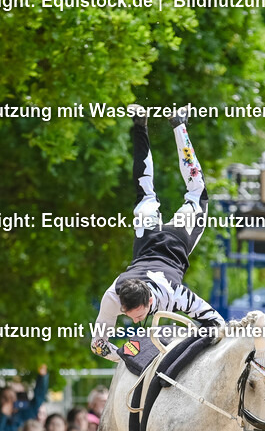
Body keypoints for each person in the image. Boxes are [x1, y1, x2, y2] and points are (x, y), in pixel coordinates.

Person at [90, 107, 225, 361]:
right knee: (146, 191)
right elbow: (97, 343)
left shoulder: (175, 295)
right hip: (148, 239)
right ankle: (153, 124)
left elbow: (216, 321)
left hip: (174, 242)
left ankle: (170, 125)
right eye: (130, 316)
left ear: (151, 300)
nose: (136, 320)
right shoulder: (113, 297)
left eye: (139, 315)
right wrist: (125, 355)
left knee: (195, 192)